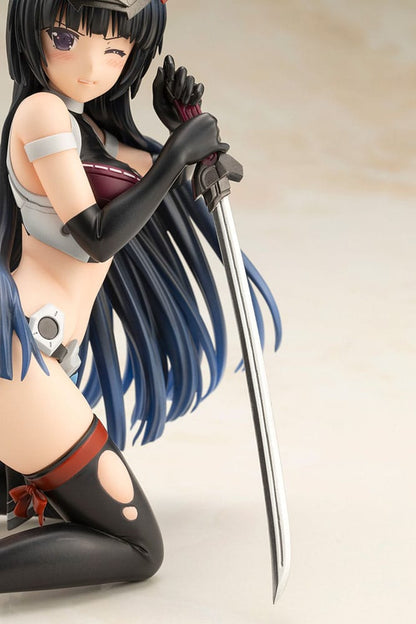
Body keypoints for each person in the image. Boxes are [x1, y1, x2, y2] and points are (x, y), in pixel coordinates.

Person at [0, 0, 281, 592]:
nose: (89, 68)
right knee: (138, 546)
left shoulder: (95, 133)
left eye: (113, 51)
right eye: (65, 39)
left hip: (44, 355)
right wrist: (177, 153)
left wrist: (184, 139)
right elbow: (98, 235)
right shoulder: (42, 113)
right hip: (21, 352)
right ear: (31, 33)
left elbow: (152, 192)